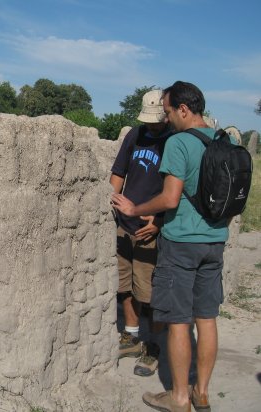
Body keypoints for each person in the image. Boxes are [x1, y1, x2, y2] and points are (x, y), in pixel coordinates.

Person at [111, 80, 228, 412]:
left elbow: (170, 196)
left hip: (182, 242)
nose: (166, 118)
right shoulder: (224, 139)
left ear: (183, 109)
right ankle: (201, 392)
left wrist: (136, 210)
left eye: (167, 112)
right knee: (206, 318)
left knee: (177, 320)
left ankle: (178, 397)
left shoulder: (179, 142)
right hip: (214, 241)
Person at [110, 89, 172, 376]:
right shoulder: (135, 135)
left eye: (157, 120)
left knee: (150, 294)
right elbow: (118, 174)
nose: (153, 125)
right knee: (125, 286)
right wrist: (111, 202)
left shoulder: (174, 140)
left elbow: (177, 192)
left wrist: (159, 220)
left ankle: (153, 346)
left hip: (151, 229)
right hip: (125, 224)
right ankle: (132, 337)